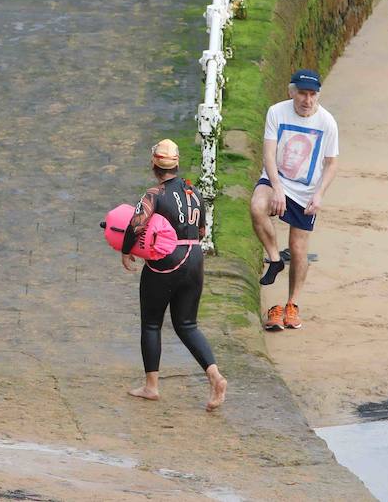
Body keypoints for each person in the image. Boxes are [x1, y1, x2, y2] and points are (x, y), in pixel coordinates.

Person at [121, 139, 227, 411]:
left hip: (166, 261)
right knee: (187, 324)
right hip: (194, 258)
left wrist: (126, 250)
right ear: (177, 164)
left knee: (151, 323)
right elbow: (202, 231)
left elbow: (136, 225)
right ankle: (215, 376)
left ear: (154, 165)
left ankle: (151, 386)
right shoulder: (194, 193)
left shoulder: (154, 194)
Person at [249, 69, 340, 332]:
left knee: (298, 247)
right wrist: (276, 188)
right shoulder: (276, 112)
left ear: (318, 96)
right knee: (257, 206)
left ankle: (292, 304)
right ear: (292, 92)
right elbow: (268, 154)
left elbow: (332, 163)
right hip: (276, 179)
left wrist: (319, 194)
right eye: (302, 93)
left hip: (306, 190)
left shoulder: (327, 122)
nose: (307, 100)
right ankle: (275, 258)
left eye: (312, 95)